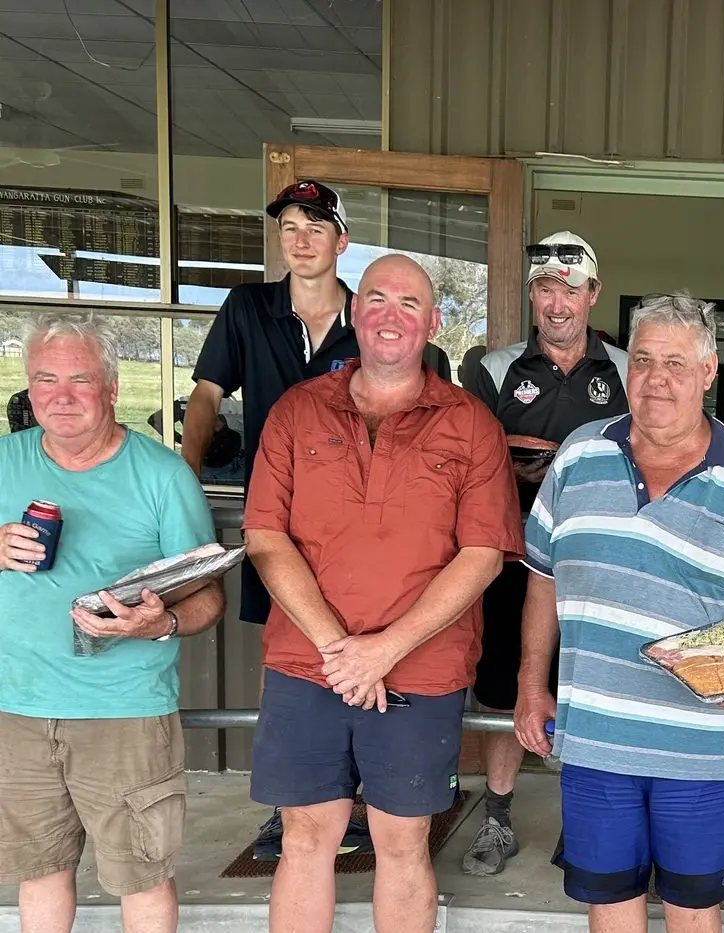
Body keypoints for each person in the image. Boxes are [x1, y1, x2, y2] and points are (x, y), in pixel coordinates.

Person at [241, 254, 523, 933]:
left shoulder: (471, 424)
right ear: (354, 312)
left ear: (432, 323)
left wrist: (384, 650)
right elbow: (265, 539)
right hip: (308, 664)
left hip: (419, 672)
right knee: (306, 837)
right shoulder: (297, 410)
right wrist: (345, 652)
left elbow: (482, 556)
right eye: (376, 298)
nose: (390, 314)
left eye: (408, 303)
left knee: (402, 843)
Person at [515, 293, 724, 933]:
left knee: (693, 907)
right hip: (597, 736)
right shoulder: (577, 455)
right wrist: (529, 685)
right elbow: (541, 576)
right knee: (610, 900)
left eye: (677, 363)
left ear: (708, 373)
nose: (658, 379)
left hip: (700, 747)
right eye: (645, 360)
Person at [186, 179, 453, 861]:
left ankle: (364, 800)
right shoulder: (248, 307)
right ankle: (297, 802)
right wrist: (187, 482)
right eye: (289, 227)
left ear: (342, 241)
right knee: (286, 650)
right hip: (284, 529)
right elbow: (208, 396)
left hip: (381, 548)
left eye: (315, 226)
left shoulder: (375, 325)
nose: (300, 239)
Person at [0, 314, 226, 933]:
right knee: (37, 872)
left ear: (111, 387)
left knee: (142, 879)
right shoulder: (3, 460)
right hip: (16, 710)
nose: (62, 396)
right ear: (28, 388)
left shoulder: (161, 475)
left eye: (81, 379)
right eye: (46, 380)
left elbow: (208, 600)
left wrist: (157, 624)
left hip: (123, 713)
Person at [459, 231, 629, 876]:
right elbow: (464, 461)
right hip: (510, 557)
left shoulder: (624, 365)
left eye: (570, 289)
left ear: (593, 294)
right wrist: (512, 465)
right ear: (533, 295)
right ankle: (497, 817)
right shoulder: (492, 367)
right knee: (506, 690)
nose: (557, 304)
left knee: (590, 690)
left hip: (598, 562)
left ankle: (580, 820)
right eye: (545, 289)